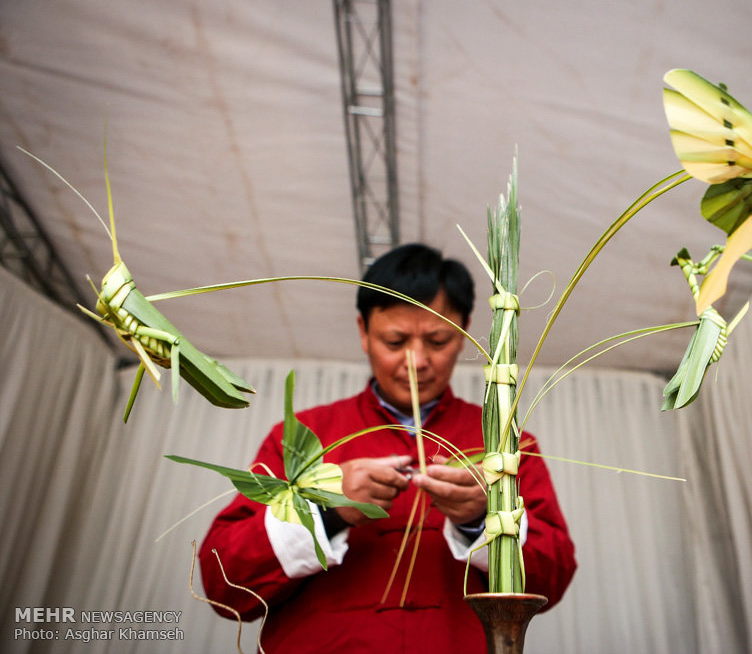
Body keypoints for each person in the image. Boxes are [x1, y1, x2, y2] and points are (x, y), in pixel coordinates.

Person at [199, 243, 576, 653]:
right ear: (363, 332)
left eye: (438, 339)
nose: (416, 362)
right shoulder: (303, 434)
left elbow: (550, 581)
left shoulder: (503, 442)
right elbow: (223, 584)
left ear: (466, 329)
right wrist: (327, 510)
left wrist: (480, 520)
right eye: (395, 341)